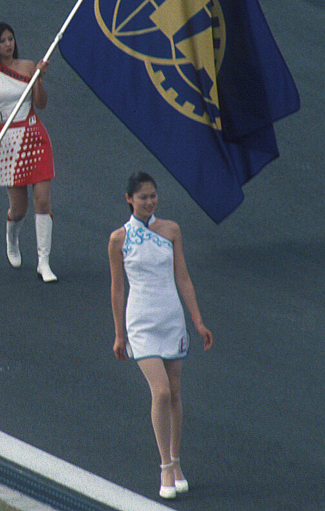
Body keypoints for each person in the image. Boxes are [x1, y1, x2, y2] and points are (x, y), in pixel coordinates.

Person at [108, 172, 213, 499]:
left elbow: (183, 277)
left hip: (171, 319)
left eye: (153, 195)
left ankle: (177, 461)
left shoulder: (171, 230)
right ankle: (165, 466)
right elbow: (117, 288)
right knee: (162, 391)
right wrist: (119, 334)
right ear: (129, 199)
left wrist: (197, 321)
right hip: (141, 323)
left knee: (175, 393)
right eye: (143, 197)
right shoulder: (118, 239)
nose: (149, 202)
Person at [0, 22, 57, 282]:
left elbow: (41, 103)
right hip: (8, 142)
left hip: (36, 137)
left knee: (42, 201)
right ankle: (12, 238)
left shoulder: (29, 66)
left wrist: (39, 78)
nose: (8, 44)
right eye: (2, 41)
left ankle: (44, 262)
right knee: (19, 209)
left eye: (10, 39)